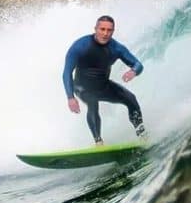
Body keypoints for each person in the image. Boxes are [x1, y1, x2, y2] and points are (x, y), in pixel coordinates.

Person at [62, 15, 146, 146]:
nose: (105, 33)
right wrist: (70, 97)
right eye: (102, 29)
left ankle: (143, 136)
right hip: (81, 87)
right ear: (95, 29)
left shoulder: (116, 48)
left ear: (113, 31)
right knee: (92, 101)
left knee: (131, 99)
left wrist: (133, 71)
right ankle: (98, 141)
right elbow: (67, 72)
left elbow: (138, 64)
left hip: (103, 86)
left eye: (109, 30)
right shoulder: (80, 46)